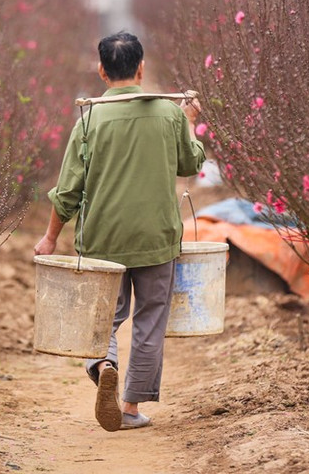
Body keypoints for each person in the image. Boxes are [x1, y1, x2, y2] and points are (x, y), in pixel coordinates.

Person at [34, 31, 205, 432]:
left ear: (101, 71)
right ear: (141, 69)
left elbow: (69, 190)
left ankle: (102, 363)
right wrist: (189, 123)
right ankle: (129, 408)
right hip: (155, 238)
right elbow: (190, 164)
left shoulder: (90, 119)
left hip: (102, 238)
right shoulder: (169, 115)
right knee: (150, 319)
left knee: (102, 318)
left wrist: (50, 237)